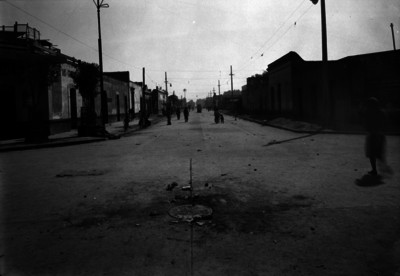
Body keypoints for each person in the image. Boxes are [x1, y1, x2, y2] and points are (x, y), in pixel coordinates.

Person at [362, 97, 392, 176]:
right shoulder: (381, 112)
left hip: (373, 135)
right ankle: (381, 168)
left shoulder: (369, 112)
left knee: (372, 154)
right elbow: (385, 123)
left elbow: (366, 123)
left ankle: (375, 169)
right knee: (378, 153)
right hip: (380, 135)